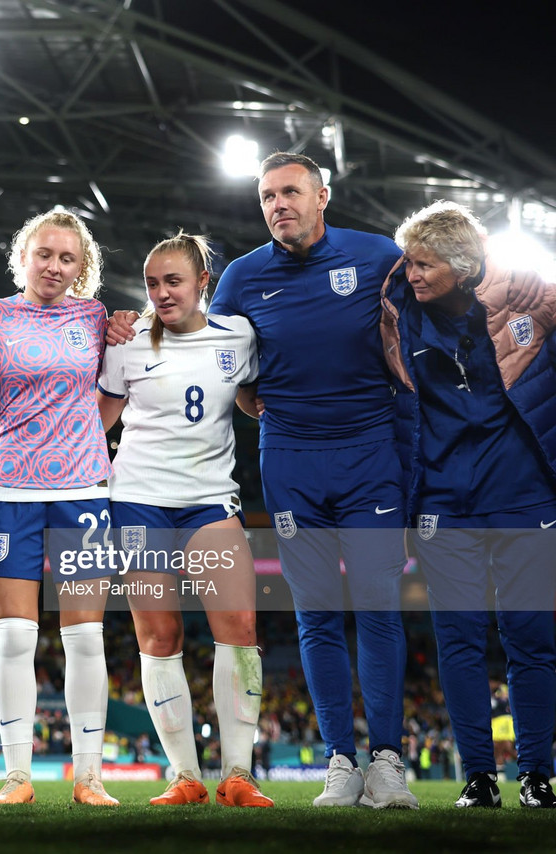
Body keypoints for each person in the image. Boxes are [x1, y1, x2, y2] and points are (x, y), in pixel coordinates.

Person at [207, 151, 417, 809]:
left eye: (291, 192)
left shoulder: (379, 255)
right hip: (290, 460)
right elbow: (224, 375)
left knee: (379, 605)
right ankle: (341, 762)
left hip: (371, 456)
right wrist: (257, 401)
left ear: (322, 196)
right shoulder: (240, 278)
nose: (278, 206)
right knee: (316, 613)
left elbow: (421, 336)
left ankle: (387, 761)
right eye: (267, 196)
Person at [380, 200, 556, 809]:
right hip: (442, 499)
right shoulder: (394, 311)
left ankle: (537, 773)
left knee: (531, 636)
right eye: (409, 261)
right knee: (457, 637)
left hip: (522, 492)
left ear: (463, 267)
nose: (413, 273)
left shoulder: (525, 301)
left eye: (426, 264)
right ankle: (478, 777)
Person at [97, 232, 271, 808]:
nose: (162, 293)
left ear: (203, 283)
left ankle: (239, 774)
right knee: (159, 636)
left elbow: (250, 396)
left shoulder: (238, 336)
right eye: (152, 283)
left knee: (240, 629)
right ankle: (184, 776)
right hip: (138, 501)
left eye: (174, 281)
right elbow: (98, 422)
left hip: (209, 500)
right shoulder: (126, 345)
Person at [0, 209, 118, 807]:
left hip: (83, 490)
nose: (55, 266)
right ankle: (17, 778)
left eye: (68, 258)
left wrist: (80, 437)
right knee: (14, 639)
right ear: (23, 257)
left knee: (86, 638)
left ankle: (88, 778)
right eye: (45, 254)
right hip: (9, 489)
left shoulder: (98, 318)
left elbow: (110, 395)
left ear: (82, 268)